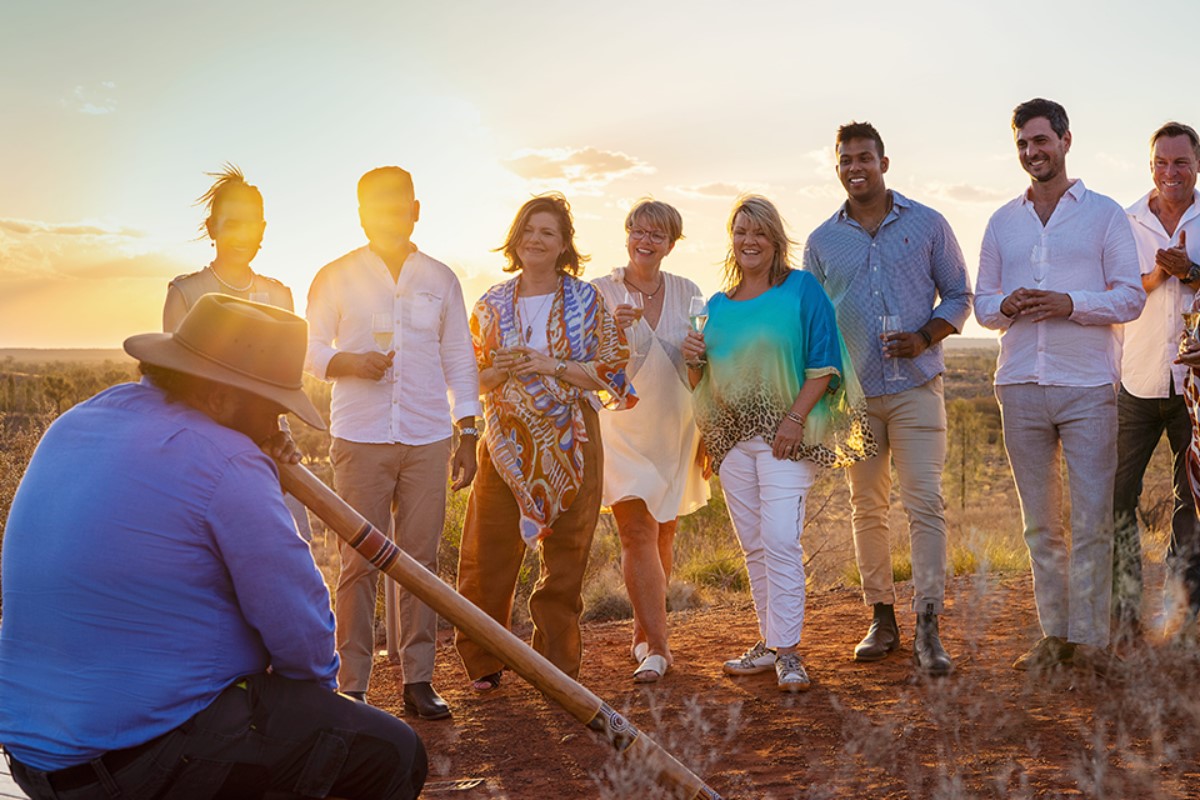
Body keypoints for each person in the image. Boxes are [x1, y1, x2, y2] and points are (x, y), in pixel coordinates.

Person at [0, 294, 426, 800]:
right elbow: (305, 643)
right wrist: (315, 710)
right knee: (390, 752)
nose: (277, 426)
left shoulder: (78, 422)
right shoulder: (228, 461)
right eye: (272, 407)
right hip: (136, 765)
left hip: (32, 759)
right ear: (222, 398)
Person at [975, 98, 1145, 673]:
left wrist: (1070, 303)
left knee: (1092, 518)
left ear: (1066, 141)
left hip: (1088, 385)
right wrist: (1008, 302)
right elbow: (982, 306)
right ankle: (1055, 636)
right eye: (1023, 143)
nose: (1031, 152)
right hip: (1019, 383)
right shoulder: (1002, 221)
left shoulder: (1103, 216)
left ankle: (1091, 642)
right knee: (1040, 523)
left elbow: (1131, 295)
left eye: (1041, 141)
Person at [306, 166, 481, 719]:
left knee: (420, 563)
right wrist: (346, 361)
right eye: (376, 205)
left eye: (398, 203)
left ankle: (418, 680)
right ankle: (353, 685)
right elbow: (306, 348)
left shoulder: (441, 279)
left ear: (416, 209)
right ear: (361, 214)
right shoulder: (335, 276)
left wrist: (469, 430)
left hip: (429, 436)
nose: (388, 213)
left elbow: (459, 356)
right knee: (358, 562)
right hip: (359, 437)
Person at [683, 195, 874, 692]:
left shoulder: (802, 290)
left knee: (782, 540)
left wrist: (792, 419)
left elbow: (824, 362)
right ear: (733, 240)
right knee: (754, 548)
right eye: (741, 231)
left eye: (759, 233)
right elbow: (703, 382)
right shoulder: (718, 307)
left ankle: (789, 653)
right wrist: (692, 359)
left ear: (775, 242)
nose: (749, 241)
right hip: (732, 444)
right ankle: (769, 643)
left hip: (786, 438)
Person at [803, 122, 972, 675]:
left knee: (924, 503)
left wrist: (924, 336)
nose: (856, 167)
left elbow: (959, 295)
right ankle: (882, 617)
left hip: (916, 386)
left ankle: (929, 626)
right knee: (866, 507)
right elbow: (813, 321)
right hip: (854, 397)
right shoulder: (822, 241)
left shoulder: (927, 224)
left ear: (884, 162)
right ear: (838, 168)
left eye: (865, 158)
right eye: (846, 160)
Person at [455, 193, 634, 691]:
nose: (536, 239)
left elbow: (610, 370)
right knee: (486, 555)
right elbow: (469, 377)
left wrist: (548, 365)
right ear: (516, 238)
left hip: (572, 441)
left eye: (548, 233)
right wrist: (498, 370)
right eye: (529, 230)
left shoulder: (586, 301)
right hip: (505, 443)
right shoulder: (489, 305)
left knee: (565, 562)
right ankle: (483, 663)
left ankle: (556, 670)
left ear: (563, 246)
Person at [591, 199, 710, 683]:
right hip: (620, 428)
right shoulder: (600, 290)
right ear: (626, 234)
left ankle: (643, 634)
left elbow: (703, 368)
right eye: (638, 230)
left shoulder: (690, 292)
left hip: (677, 425)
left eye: (657, 234)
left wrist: (697, 360)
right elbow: (587, 362)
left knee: (663, 532)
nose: (646, 240)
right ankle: (659, 649)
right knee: (635, 530)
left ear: (671, 244)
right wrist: (609, 334)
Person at [164, 164, 312, 540]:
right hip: (201, 449)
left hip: (269, 446)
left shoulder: (280, 295)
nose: (242, 235)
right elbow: (175, 388)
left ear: (263, 230)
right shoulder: (185, 294)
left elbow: (283, 383)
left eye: (252, 224)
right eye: (232, 224)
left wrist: (272, 435)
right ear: (213, 228)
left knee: (290, 542)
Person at [1114, 122, 1200, 642]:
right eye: (1162, 163)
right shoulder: (1124, 222)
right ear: (1151, 167)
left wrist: (1192, 272)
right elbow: (1118, 290)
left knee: (1192, 503)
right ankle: (1123, 616)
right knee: (1117, 498)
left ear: (1196, 165)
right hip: (1136, 380)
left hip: (1195, 387)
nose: (1171, 172)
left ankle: (1180, 613)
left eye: (1181, 163)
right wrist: (1162, 275)